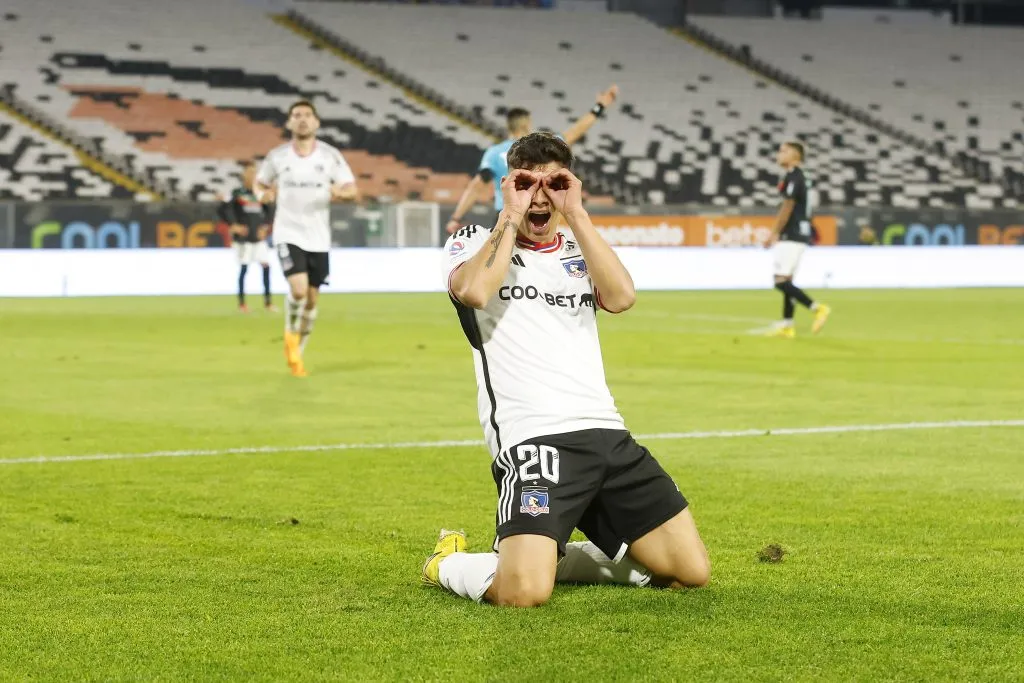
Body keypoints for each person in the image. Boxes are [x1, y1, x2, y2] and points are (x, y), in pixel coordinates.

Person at [424, 133, 710, 607]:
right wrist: (510, 216)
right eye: (526, 183)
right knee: (524, 593)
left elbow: (621, 297)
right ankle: (448, 562)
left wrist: (576, 212)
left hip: (607, 435)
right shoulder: (473, 241)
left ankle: (544, 552)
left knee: (689, 572)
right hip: (534, 439)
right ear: (508, 185)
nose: (541, 196)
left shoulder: (578, 245)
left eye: (552, 183)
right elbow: (474, 291)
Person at [254, 100, 359, 377]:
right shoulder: (277, 157)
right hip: (287, 232)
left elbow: (351, 188)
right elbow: (260, 182)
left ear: (316, 123)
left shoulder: (329, 156)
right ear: (289, 123)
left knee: (312, 300)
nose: (302, 120)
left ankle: (298, 350)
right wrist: (261, 194)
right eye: (296, 115)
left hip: (318, 237)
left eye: (307, 115)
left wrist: (342, 193)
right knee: (298, 290)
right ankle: (290, 333)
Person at [444, 85, 619, 235]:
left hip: (505, 213)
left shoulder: (494, 153)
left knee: (501, 266)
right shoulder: (543, 147)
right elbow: (577, 130)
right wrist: (600, 106)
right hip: (539, 211)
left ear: (509, 125)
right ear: (526, 124)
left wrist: (455, 218)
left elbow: (476, 187)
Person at [765, 141, 830, 338]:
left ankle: (817, 308)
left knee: (779, 281)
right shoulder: (802, 177)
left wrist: (774, 232)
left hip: (791, 233)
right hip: (799, 233)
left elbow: (788, 206)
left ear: (795, 155)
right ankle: (787, 325)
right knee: (788, 281)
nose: (779, 154)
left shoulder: (795, 176)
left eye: (783, 151)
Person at [218, 161, 275, 313]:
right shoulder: (236, 193)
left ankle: (268, 302)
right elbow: (223, 209)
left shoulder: (260, 194)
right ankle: (242, 303)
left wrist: (265, 227)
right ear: (244, 175)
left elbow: (270, 211)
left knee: (266, 266)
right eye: (249, 173)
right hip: (243, 240)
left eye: (254, 173)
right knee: (244, 268)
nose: (252, 176)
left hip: (258, 238)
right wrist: (233, 224)